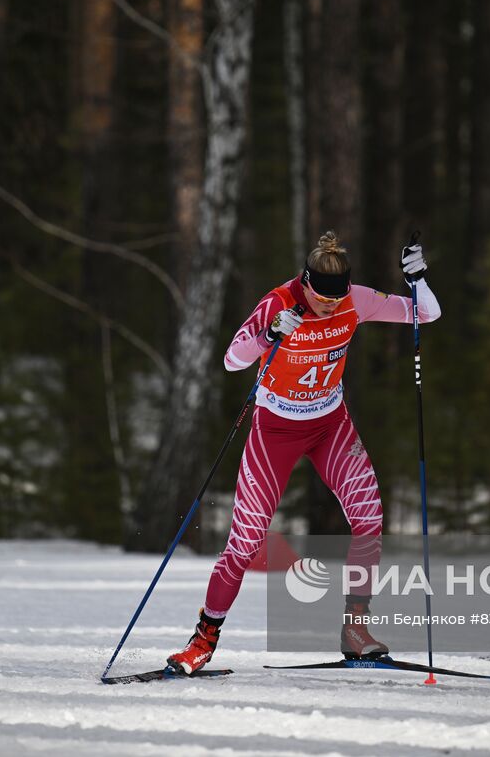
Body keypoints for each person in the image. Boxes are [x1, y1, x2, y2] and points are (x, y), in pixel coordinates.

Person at [166, 231, 440, 674]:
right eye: (321, 299)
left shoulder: (356, 299)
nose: (330, 306)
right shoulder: (279, 302)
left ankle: (356, 629)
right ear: (306, 284)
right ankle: (203, 641)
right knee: (246, 541)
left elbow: (424, 314)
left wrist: (418, 281)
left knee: (369, 516)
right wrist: (269, 333)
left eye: (338, 300)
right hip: (274, 429)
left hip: (330, 424)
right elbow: (232, 359)